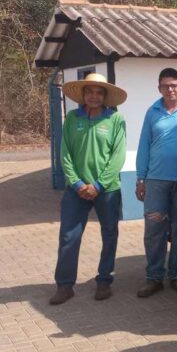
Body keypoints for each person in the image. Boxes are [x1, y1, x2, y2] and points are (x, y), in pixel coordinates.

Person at [51, 73, 127, 305]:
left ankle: (104, 280)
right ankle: (65, 285)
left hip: (107, 190)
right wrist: (77, 183)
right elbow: (65, 154)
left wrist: (98, 185)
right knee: (69, 236)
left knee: (109, 234)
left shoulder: (115, 119)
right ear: (83, 95)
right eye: (90, 92)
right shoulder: (72, 119)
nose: (94, 96)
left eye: (99, 92)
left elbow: (118, 156)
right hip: (76, 190)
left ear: (105, 96)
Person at [135, 68, 177, 298]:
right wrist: (140, 178)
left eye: (174, 85)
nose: (170, 89)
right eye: (165, 86)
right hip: (155, 181)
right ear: (159, 88)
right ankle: (154, 277)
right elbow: (144, 144)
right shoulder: (152, 111)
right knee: (154, 229)